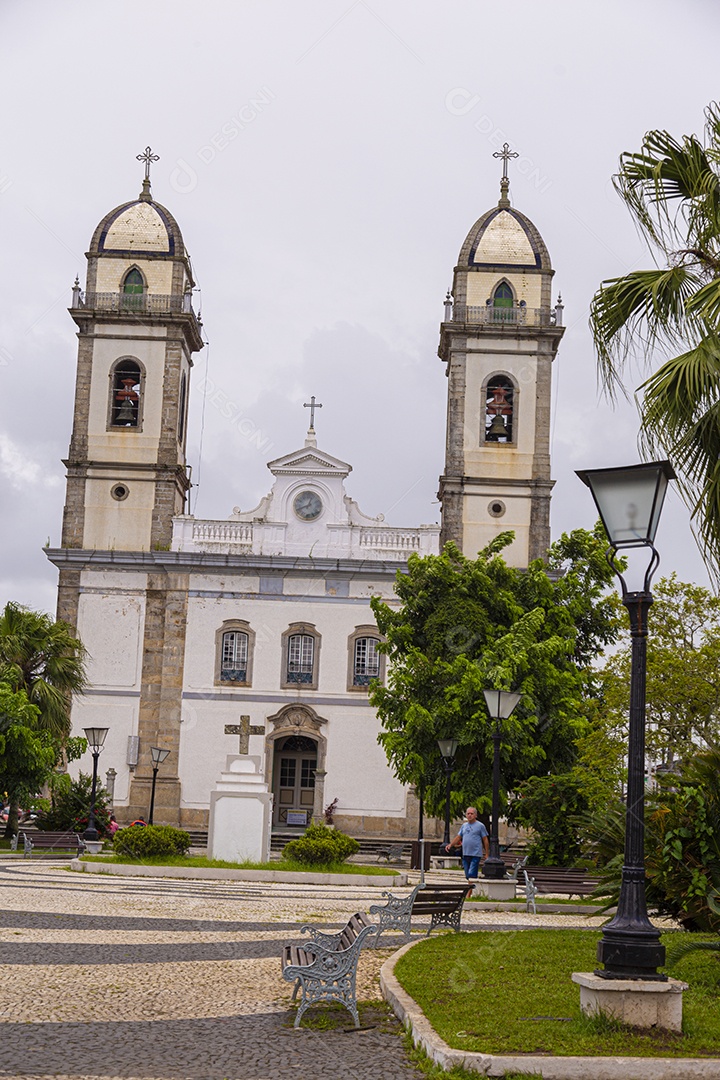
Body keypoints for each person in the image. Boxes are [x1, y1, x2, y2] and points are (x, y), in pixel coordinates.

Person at [445, 806, 489, 887]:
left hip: (476, 854)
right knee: (467, 875)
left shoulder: (480, 826)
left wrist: (486, 853)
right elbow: (458, 837)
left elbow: (485, 839)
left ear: (475, 815)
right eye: (468, 813)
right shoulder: (464, 826)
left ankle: (469, 893)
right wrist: (451, 845)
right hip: (465, 853)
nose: (469, 815)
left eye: (471, 814)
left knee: (471, 873)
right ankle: (472, 889)